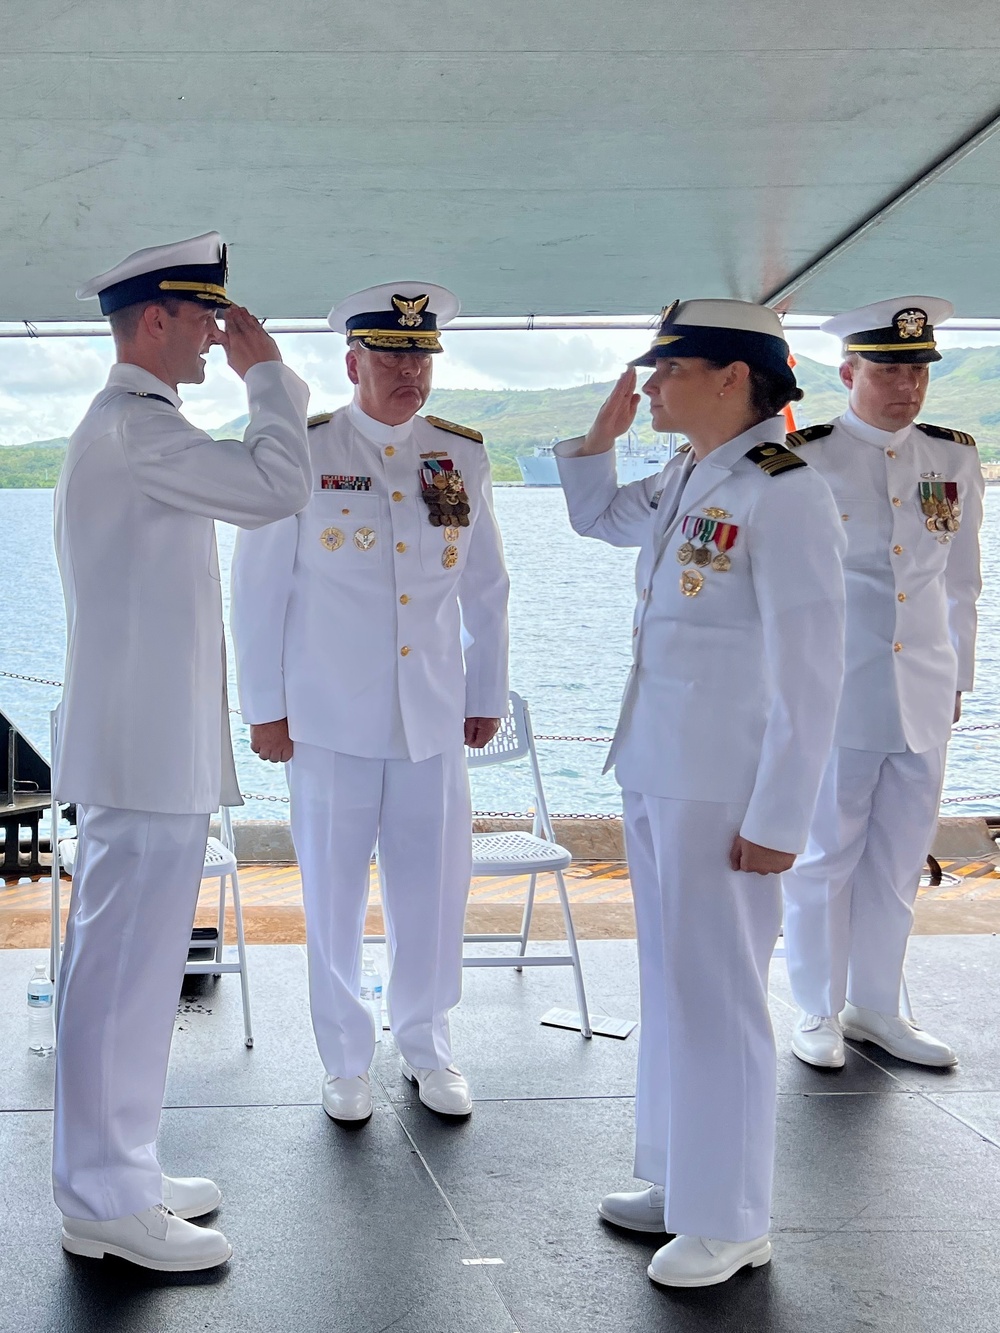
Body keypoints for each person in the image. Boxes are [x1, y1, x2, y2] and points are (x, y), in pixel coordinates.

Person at [555, 299, 845, 1288]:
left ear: (733, 375)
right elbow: (596, 515)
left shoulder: (783, 487)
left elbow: (812, 673)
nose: (652, 386)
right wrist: (597, 437)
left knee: (719, 994)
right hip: (658, 766)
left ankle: (730, 1218)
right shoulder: (692, 471)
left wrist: (780, 817)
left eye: (668, 368)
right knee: (673, 985)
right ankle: (680, 1175)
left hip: (726, 787)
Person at [53, 232, 312, 1271]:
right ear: (152, 320)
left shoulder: (138, 426)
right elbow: (276, 487)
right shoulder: (132, 428)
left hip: (147, 747)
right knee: (120, 975)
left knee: (137, 971)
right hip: (138, 752)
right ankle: (103, 1198)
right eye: (203, 316)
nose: (218, 331)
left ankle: (122, 1166)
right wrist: (272, 382)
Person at [231, 283, 509, 1123]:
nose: (408, 371)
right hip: (328, 720)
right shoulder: (305, 451)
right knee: (334, 893)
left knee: (433, 890)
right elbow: (258, 589)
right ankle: (346, 1057)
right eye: (390, 355)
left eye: (420, 356)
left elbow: (488, 587)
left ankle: (427, 1043)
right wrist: (264, 708)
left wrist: (485, 687)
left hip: (431, 716)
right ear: (352, 362)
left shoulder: (459, 454)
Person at [782, 297, 984, 1070]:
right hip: (839, 687)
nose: (908, 385)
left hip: (925, 688)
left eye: (917, 369)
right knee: (825, 856)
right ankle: (815, 1008)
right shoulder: (811, 458)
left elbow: (962, 583)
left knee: (899, 859)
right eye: (891, 368)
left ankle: (876, 1006)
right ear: (848, 370)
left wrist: (959, 675)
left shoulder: (953, 459)